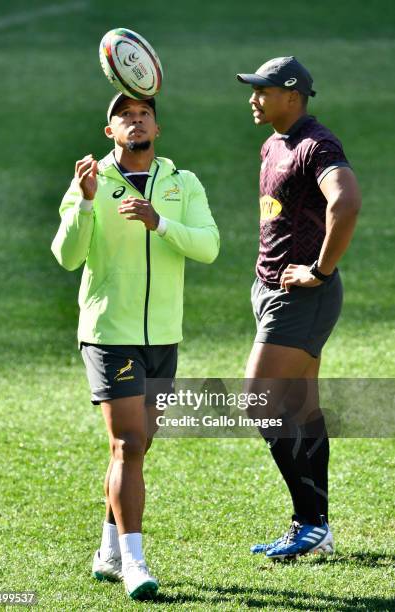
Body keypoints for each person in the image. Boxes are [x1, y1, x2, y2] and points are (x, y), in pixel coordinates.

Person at [51, 92, 219, 598]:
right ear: (111, 132)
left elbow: (208, 247)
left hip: (165, 334)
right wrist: (82, 202)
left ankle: (105, 551)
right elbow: (67, 256)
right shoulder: (91, 181)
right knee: (127, 443)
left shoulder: (182, 183)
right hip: (109, 334)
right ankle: (135, 563)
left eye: (144, 114)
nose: (135, 120)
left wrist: (159, 222)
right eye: (125, 116)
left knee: (138, 446)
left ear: (157, 128)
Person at [236, 57, 361, 560]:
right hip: (271, 292)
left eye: (262, 90)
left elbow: (346, 202)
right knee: (302, 408)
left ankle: (308, 520)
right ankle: (318, 528)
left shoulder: (316, 144)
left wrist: (320, 270)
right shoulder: (273, 143)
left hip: (302, 296)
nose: (253, 98)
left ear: (293, 95)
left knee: (257, 402)